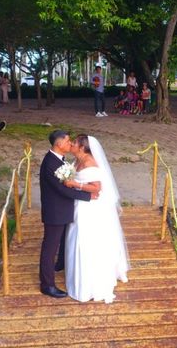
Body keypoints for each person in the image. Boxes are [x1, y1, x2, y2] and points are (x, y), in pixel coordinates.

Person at [63, 134, 129, 303]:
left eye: (75, 143)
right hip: (79, 203)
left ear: (83, 147)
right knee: (74, 237)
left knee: (84, 240)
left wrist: (74, 184)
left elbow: (96, 189)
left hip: (89, 208)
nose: (71, 144)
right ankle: (76, 277)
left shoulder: (89, 164)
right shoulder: (78, 160)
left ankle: (89, 283)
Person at [38, 130, 99, 298]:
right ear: (59, 144)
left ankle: (61, 264)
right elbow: (62, 189)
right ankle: (47, 284)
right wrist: (87, 196)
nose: (70, 144)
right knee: (49, 247)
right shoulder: (51, 163)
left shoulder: (59, 159)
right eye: (67, 141)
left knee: (63, 240)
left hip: (62, 209)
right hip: (55, 212)